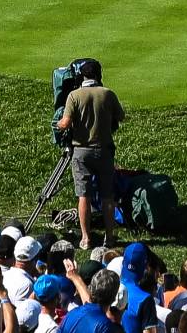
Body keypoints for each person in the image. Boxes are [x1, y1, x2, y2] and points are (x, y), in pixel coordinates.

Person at [58, 61, 124, 251]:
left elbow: (65, 122)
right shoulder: (107, 94)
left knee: (83, 196)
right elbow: (121, 116)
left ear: (82, 76)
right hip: (104, 150)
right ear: (98, 75)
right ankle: (109, 238)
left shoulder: (74, 95)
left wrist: (58, 124)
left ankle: (86, 239)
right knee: (107, 196)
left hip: (81, 151)